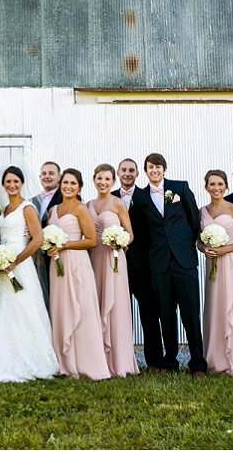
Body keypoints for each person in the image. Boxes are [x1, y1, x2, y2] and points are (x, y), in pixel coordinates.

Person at [130, 153, 208, 376]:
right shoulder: (141, 197)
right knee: (166, 314)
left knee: (191, 313)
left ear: (164, 168)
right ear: (145, 171)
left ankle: (198, 364)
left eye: (158, 167)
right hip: (159, 264)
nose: (154, 170)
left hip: (184, 261)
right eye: (150, 167)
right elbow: (141, 232)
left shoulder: (180, 188)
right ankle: (170, 361)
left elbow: (193, 219)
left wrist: (188, 244)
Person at [0, 166, 59, 382]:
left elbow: (38, 239)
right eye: (8, 182)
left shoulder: (27, 207)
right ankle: (3, 361)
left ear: (22, 183)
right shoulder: (2, 208)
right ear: (3, 184)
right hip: (3, 267)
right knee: (5, 311)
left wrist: (16, 261)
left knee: (25, 311)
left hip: (21, 266)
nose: (12, 185)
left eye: (16, 181)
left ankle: (34, 360)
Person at [46, 169, 111, 380]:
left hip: (77, 263)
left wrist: (64, 244)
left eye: (73, 183)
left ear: (79, 187)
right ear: (60, 184)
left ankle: (87, 363)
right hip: (57, 264)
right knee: (60, 308)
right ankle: (64, 361)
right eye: (65, 182)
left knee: (82, 310)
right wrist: (50, 246)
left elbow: (91, 240)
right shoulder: (53, 210)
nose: (68, 186)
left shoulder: (81, 209)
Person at [197, 169, 233, 377]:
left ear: (226, 186)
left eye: (220, 184)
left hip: (232, 264)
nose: (216, 188)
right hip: (212, 267)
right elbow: (198, 240)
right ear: (206, 187)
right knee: (216, 309)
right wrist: (204, 248)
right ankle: (217, 358)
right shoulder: (202, 211)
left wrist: (223, 250)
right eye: (212, 184)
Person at [87, 164, 139, 377]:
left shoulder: (118, 203)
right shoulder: (87, 204)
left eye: (107, 179)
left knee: (116, 305)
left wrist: (120, 242)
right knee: (96, 303)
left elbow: (130, 234)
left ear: (113, 181)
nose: (103, 182)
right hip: (94, 257)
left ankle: (119, 361)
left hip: (114, 258)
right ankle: (98, 360)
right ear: (94, 179)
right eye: (99, 178)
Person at [112, 158, 162, 371]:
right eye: (124, 170)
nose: (127, 173)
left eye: (131, 170)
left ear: (137, 174)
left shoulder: (146, 196)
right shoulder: (110, 197)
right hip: (115, 265)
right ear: (117, 172)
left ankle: (154, 361)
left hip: (143, 265)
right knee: (118, 312)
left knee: (149, 314)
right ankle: (120, 359)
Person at [30, 161, 62, 310]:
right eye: (44, 174)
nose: (47, 177)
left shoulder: (67, 198)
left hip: (58, 257)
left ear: (59, 176)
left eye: (51, 173)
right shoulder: (31, 201)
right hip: (37, 260)